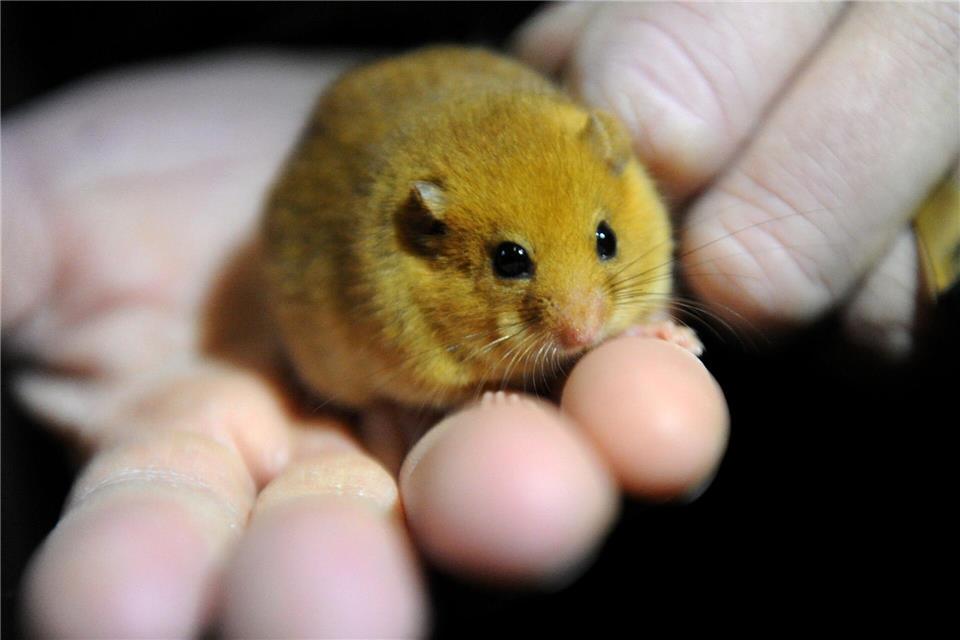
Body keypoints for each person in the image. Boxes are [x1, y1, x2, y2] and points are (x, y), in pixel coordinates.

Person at [2, 3, 955, 637]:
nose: (576, 315)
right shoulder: (395, 277)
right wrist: (468, 380)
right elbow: (408, 337)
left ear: (614, 170)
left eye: (604, 249)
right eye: (512, 267)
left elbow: (621, 252)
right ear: (430, 232)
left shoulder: (608, 164)